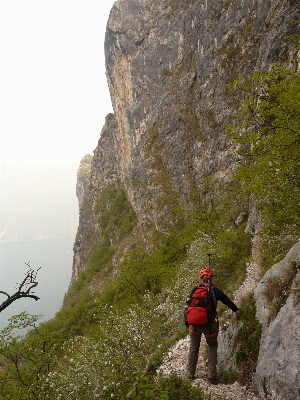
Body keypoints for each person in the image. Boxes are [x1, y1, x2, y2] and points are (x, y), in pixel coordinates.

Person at [185, 267, 239, 384]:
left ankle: (190, 374)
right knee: (212, 346)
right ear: (212, 278)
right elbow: (228, 302)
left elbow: (188, 305)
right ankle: (211, 377)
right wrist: (237, 310)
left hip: (194, 324)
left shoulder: (195, 289)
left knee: (194, 347)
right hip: (209, 325)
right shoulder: (215, 291)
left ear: (201, 278)